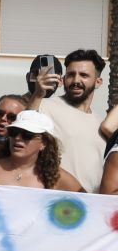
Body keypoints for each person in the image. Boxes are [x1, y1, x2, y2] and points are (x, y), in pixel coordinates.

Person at [25, 53, 105, 189]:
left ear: (98, 82)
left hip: (92, 204)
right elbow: (24, 130)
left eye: (84, 75)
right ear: (63, 78)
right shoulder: (46, 105)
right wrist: (37, 94)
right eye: (71, 74)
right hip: (55, 201)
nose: (76, 80)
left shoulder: (101, 123)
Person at [0, 111, 83, 191]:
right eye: (14, 132)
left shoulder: (57, 177)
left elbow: (88, 205)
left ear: (44, 143)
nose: (18, 138)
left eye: (27, 135)